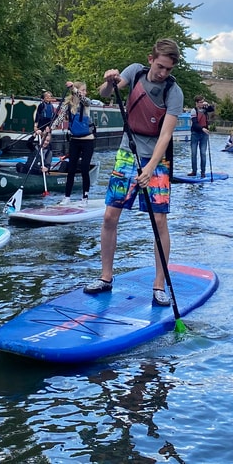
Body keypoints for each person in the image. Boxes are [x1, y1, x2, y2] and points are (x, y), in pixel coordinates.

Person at [85, 38, 184, 307]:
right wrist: (109, 80)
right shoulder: (135, 72)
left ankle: (159, 286)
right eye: (161, 67)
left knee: (159, 222)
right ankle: (106, 278)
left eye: (169, 70)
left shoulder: (174, 92)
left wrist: (151, 167)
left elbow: (165, 135)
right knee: (109, 215)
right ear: (151, 59)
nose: (163, 73)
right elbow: (106, 93)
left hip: (156, 159)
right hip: (127, 152)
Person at [61, 81, 95, 205]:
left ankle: (85, 197)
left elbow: (84, 99)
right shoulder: (68, 104)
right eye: (83, 90)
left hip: (87, 141)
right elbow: (59, 118)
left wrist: (75, 90)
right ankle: (67, 197)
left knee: (85, 168)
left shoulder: (86, 103)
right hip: (74, 141)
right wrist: (48, 128)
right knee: (71, 169)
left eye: (85, 90)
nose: (85, 92)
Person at [187, 95, 214, 176]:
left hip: (204, 134)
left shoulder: (205, 109)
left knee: (203, 153)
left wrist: (208, 104)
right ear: (196, 103)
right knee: (194, 153)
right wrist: (202, 129)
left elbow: (212, 109)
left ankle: (203, 172)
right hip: (195, 133)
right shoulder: (193, 111)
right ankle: (194, 171)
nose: (202, 104)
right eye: (200, 102)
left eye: (203, 102)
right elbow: (195, 123)